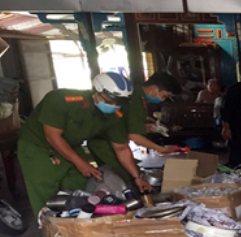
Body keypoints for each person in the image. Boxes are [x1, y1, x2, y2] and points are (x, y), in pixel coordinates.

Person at [17, 72, 150, 214]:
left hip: (71, 146)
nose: (114, 106)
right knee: (45, 191)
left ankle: (77, 220)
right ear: (96, 91)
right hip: (39, 147)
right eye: (109, 101)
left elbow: (121, 148)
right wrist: (81, 163)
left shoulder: (114, 115)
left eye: (118, 103)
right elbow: (52, 137)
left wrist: (137, 177)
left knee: (80, 187)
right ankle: (49, 224)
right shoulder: (61, 100)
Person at [86, 72, 182, 186]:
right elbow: (134, 136)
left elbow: (127, 124)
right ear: (154, 88)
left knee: (125, 174)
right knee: (124, 177)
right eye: (164, 95)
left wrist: (146, 128)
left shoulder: (137, 95)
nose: (163, 99)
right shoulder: (136, 99)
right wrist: (161, 149)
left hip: (111, 139)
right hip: (107, 142)